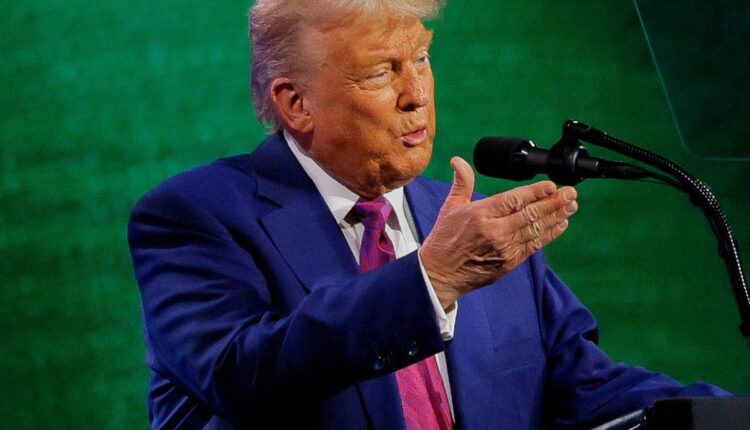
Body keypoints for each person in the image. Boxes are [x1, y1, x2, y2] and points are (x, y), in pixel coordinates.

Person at [128, 0, 728, 428]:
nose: (416, 93)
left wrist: (725, 413)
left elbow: (582, 385)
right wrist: (432, 280)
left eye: (421, 58)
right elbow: (244, 374)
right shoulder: (193, 217)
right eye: (380, 72)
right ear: (296, 104)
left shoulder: (471, 227)